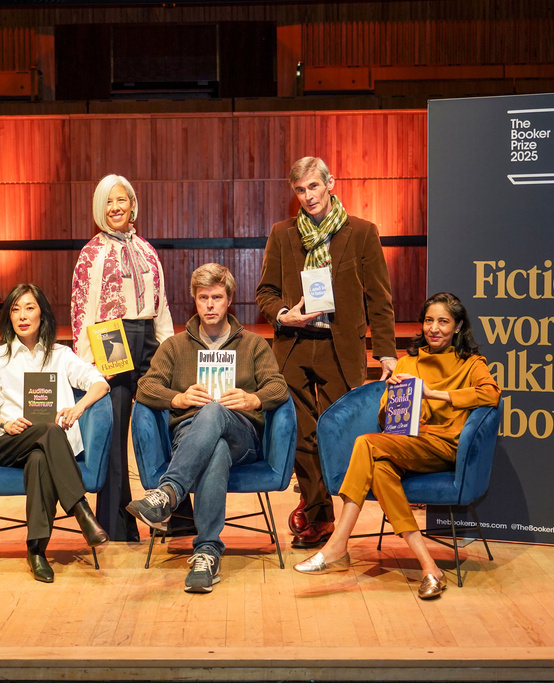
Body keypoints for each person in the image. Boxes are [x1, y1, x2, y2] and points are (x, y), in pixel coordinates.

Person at [293, 292, 501, 599]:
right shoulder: (407, 362)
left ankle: (338, 545)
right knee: (379, 467)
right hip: (407, 443)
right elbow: (389, 419)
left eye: (443, 321)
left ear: (457, 326)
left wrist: (436, 395)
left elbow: (491, 395)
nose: (435, 328)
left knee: (366, 443)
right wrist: (394, 398)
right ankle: (429, 566)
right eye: (429, 320)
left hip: (444, 447)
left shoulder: (471, 364)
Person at [256, 156, 397, 550]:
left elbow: (379, 300)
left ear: (330, 183)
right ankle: (318, 516)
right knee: (301, 435)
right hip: (296, 346)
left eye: (313, 187)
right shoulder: (283, 234)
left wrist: (385, 352)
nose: (308, 197)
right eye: (300, 191)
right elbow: (265, 293)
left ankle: (340, 513)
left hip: (342, 349)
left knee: (339, 434)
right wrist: (286, 314)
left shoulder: (362, 232)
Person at [128, 264, 289, 594]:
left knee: (216, 411)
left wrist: (252, 399)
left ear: (229, 299)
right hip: (191, 436)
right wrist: (179, 398)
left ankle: (168, 492)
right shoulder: (174, 347)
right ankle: (206, 554)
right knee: (212, 449)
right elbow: (146, 387)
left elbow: (279, 388)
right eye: (204, 298)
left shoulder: (253, 345)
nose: (211, 305)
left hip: (241, 436)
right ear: (194, 300)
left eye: (217, 297)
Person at [0, 283, 112, 583]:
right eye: (15, 309)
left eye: (29, 307)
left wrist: (79, 409)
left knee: (40, 456)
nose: (22, 316)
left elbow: (100, 383)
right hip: (6, 441)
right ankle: (81, 511)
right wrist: (4, 424)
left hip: (47, 445)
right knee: (48, 431)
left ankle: (36, 550)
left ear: (42, 314)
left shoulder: (60, 355)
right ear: (8, 317)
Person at [72, 174, 176, 542]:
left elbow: (161, 306)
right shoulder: (92, 252)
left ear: (133, 204)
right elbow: (82, 310)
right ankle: (117, 525)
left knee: (161, 421)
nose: (116, 208)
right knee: (114, 430)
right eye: (108, 202)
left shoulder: (147, 249)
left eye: (122, 200)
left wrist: (169, 350)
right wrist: (86, 366)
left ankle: (174, 514)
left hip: (147, 338)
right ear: (101, 209)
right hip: (110, 339)